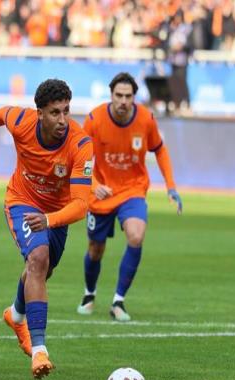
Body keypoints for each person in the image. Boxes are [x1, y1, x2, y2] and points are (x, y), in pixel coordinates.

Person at [0, 79, 93, 379]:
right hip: (22, 201)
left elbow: (80, 205)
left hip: (55, 213)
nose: (63, 120)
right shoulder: (22, 122)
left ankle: (16, 314)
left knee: (43, 270)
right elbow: (3, 114)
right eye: (55, 112)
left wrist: (49, 220)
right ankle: (39, 351)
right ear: (40, 114)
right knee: (38, 258)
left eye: (66, 111)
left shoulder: (81, 144)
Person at [76, 72, 182, 322]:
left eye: (128, 96)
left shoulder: (145, 118)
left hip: (133, 190)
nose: (123, 101)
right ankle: (89, 294)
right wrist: (93, 184)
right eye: (119, 95)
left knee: (136, 236)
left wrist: (171, 186)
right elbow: (79, 159)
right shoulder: (94, 119)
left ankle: (118, 301)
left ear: (134, 97)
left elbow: (159, 150)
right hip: (102, 192)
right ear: (111, 95)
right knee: (95, 249)